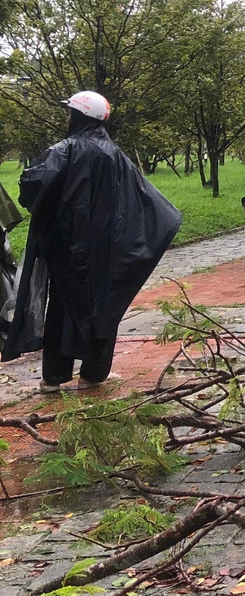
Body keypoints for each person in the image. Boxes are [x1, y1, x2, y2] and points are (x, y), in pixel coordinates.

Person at [2, 92, 182, 393]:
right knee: (103, 309)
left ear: (79, 116)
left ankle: (54, 378)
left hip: (65, 248)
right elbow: (141, 199)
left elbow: (31, 188)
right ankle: (93, 375)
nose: (66, 117)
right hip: (105, 250)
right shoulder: (115, 155)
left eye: (70, 112)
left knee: (61, 307)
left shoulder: (62, 151)